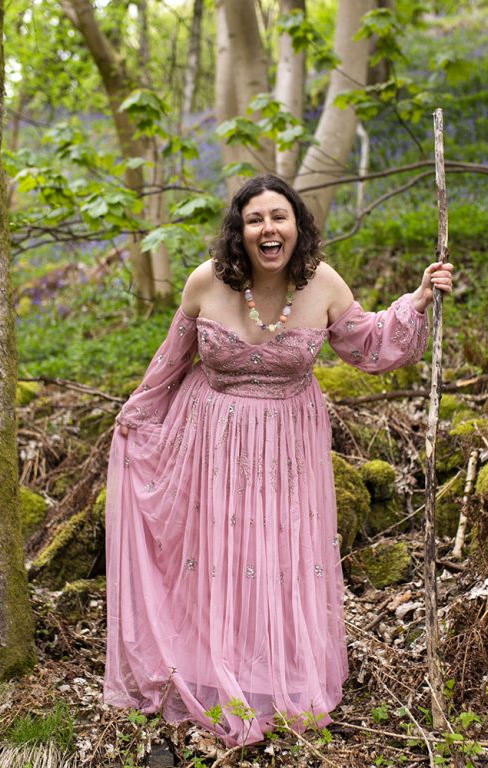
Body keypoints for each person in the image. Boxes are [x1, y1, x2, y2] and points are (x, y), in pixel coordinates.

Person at [104, 174, 454, 746]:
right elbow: (169, 365)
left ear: (297, 226)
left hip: (288, 443)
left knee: (276, 551)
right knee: (216, 554)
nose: (268, 228)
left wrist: (416, 300)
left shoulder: (322, 284)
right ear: (239, 233)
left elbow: (368, 344)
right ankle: (209, 672)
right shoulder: (205, 283)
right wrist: (137, 420)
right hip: (209, 439)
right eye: (255, 219)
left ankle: (271, 676)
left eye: (279, 217)